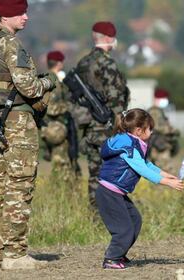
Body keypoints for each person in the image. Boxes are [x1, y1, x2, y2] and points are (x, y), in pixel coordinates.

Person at [0, 0, 56, 271]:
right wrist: (50, 81)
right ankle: (15, 254)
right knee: (19, 186)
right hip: (17, 121)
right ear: (5, 15)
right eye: (20, 12)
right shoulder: (10, 43)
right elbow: (28, 87)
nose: (26, 16)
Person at [95, 108, 184, 269]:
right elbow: (142, 169)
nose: (152, 132)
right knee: (124, 229)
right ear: (138, 130)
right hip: (109, 192)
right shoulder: (128, 147)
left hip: (116, 192)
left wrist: (166, 174)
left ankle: (119, 254)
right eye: (150, 128)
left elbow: (146, 164)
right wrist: (167, 182)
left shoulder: (134, 143)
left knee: (135, 220)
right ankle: (111, 258)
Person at [76, 21, 130, 206]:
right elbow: (116, 97)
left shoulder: (83, 62)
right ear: (108, 38)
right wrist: (121, 126)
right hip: (106, 128)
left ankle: (95, 216)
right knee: (110, 174)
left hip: (88, 127)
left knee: (94, 174)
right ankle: (109, 216)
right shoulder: (107, 63)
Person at [41, 50, 78, 186]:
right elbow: (51, 108)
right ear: (59, 63)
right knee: (62, 164)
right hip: (56, 129)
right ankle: (61, 193)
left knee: (59, 163)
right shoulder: (53, 80)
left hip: (49, 129)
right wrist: (69, 105)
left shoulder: (45, 78)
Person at [147, 88, 180, 173]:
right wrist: (173, 130)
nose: (166, 100)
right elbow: (157, 126)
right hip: (158, 145)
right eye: (163, 98)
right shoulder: (154, 111)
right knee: (165, 171)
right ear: (157, 99)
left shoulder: (159, 111)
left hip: (160, 144)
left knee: (161, 172)